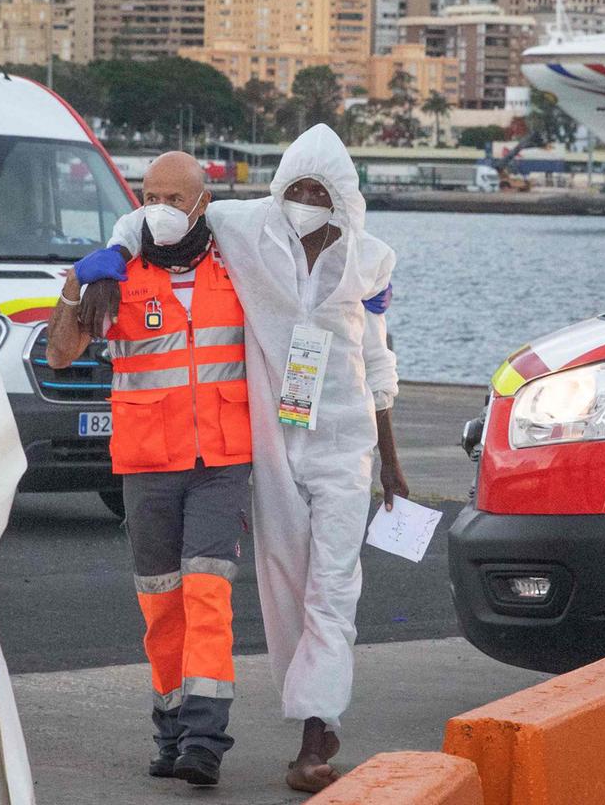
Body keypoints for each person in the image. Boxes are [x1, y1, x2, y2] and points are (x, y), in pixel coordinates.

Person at [84, 125, 405, 793]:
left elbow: (377, 356)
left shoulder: (371, 261)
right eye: (297, 187)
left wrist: (394, 460)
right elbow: (158, 209)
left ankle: (317, 732)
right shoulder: (245, 232)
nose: (308, 199)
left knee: (334, 585)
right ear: (279, 187)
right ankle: (308, 712)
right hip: (273, 444)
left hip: (346, 446)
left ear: (344, 195)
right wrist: (111, 255)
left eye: (321, 190)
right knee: (286, 581)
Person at [46, 152, 251, 787]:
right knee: (162, 605)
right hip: (148, 463)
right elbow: (59, 355)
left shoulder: (238, 266)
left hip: (220, 460)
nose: (159, 206)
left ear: (203, 203)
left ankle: (205, 737)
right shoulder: (119, 275)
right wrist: (77, 284)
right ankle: (169, 728)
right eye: (149, 194)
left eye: (173, 196)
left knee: (208, 593)